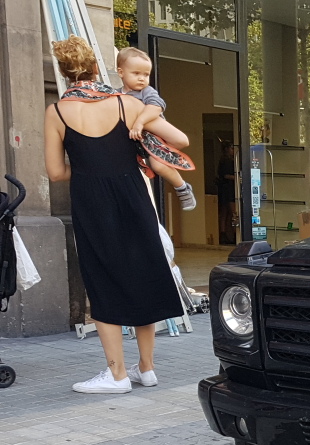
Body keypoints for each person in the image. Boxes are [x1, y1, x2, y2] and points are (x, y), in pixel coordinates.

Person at [45, 37, 187, 393]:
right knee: (143, 273)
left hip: (91, 203)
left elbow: (55, 173)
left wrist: (89, 166)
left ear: (64, 73)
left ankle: (117, 374)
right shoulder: (126, 102)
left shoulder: (57, 112)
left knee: (103, 281)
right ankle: (147, 368)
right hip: (132, 196)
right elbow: (180, 140)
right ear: (98, 69)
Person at [114, 47, 197, 211]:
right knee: (153, 165)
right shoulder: (116, 95)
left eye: (146, 75)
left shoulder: (146, 91)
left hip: (155, 136)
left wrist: (140, 122)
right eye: (136, 73)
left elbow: (157, 106)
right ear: (121, 72)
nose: (142, 79)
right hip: (138, 141)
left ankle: (182, 188)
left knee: (159, 165)